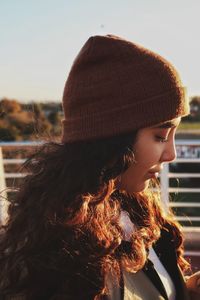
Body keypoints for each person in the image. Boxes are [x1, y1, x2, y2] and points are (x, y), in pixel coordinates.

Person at [0, 34, 199, 300]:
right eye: (161, 136)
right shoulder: (62, 257)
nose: (171, 154)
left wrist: (184, 290)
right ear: (114, 138)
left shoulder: (136, 210)